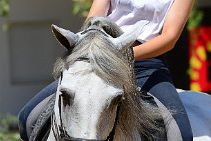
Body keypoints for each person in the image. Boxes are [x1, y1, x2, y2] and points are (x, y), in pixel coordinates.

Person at [18, 0, 195, 140]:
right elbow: (93, 19)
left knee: (181, 134)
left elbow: (169, 38)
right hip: (99, 59)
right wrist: (94, 49)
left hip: (146, 64)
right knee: (28, 118)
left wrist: (124, 55)